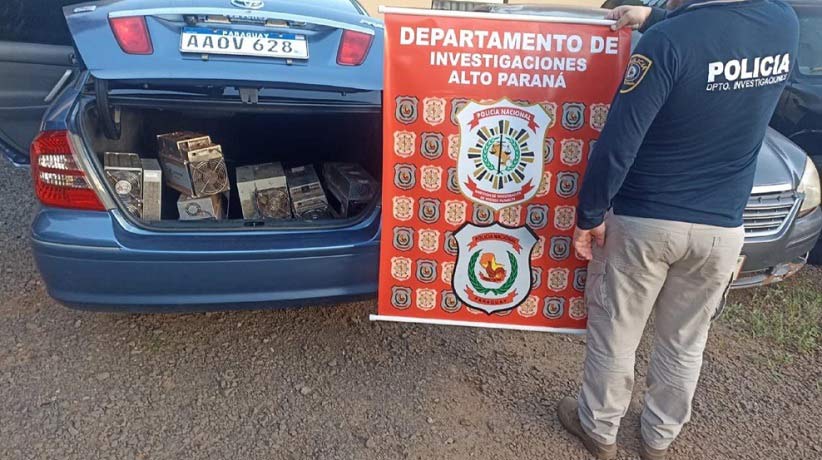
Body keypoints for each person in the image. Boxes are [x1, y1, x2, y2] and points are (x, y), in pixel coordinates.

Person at [556, 1, 800, 460]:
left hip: (646, 221)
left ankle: (599, 430)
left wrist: (588, 215)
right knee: (686, 341)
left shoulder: (666, 45)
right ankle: (658, 439)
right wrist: (653, 17)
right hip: (722, 229)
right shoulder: (782, 23)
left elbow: (618, 143)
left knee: (617, 333)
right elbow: (719, 34)